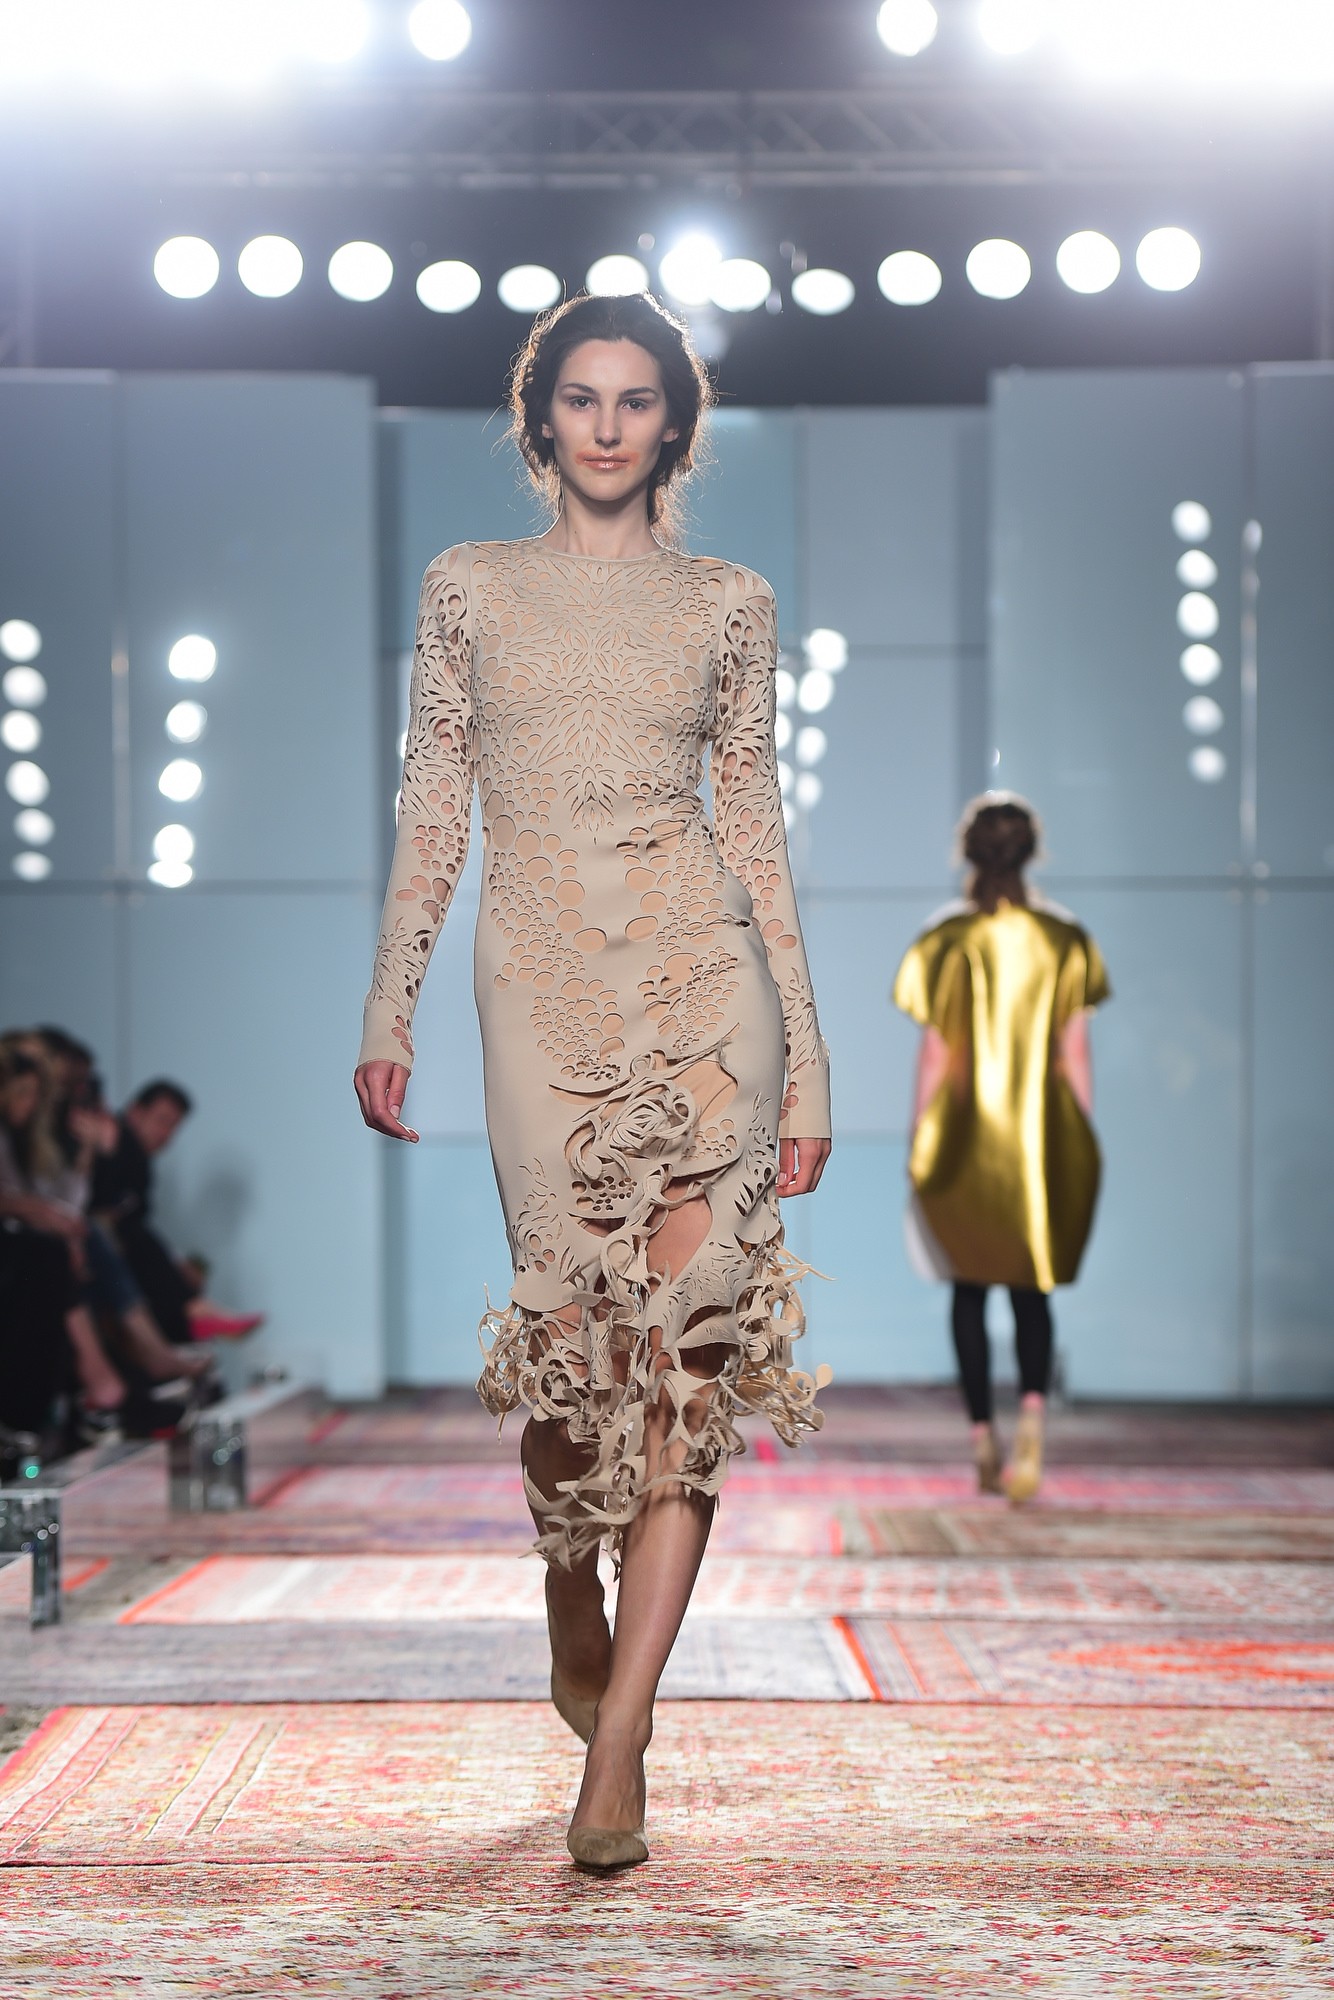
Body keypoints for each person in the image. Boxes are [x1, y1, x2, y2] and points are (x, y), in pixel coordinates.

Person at [354, 291, 831, 1871]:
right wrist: (389, 1002)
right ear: (539, 416)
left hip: (706, 984)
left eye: (636, 400)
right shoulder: (470, 588)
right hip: (542, 988)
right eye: (582, 398)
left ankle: (621, 1735)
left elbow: (753, 828)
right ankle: (571, 1577)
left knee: (689, 1370)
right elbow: (434, 806)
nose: (609, 425)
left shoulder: (729, 603)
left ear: (673, 424)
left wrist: (810, 1064)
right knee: (569, 1364)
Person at [892, 794, 1109, 1504]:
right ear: (1031, 852)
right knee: (1032, 1288)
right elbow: (1075, 1053)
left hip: (962, 1135)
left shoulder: (945, 938)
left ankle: (983, 1436)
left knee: (967, 1288)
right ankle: (1034, 1420)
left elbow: (935, 1054)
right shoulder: (1065, 937)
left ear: (969, 852)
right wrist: (1081, 1141)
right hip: (1043, 1137)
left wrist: (918, 1142)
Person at [90, 1079, 264, 1344]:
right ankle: (194, 1313)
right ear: (136, 1112)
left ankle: (193, 1316)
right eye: (162, 1120)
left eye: (173, 1126)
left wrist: (174, 1261)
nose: (166, 1134)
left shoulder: (135, 1156)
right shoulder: (121, 1143)